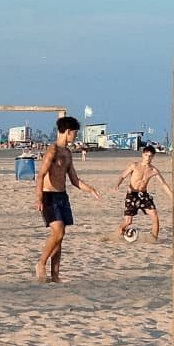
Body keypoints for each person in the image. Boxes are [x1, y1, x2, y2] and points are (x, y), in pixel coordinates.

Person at [34, 116, 101, 283]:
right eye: (75, 134)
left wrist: (90, 189)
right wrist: (39, 198)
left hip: (62, 196)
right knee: (58, 231)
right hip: (49, 195)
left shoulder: (68, 153)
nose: (75, 137)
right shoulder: (52, 151)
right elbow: (41, 175)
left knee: (60, 237)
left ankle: (55, 275)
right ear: (68, 132)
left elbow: (74, 179)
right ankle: (40, 263)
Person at [112, 145, 173, 241]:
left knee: (154, 216)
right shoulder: (134, 165)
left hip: (143, 195)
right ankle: (117, 234)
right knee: (128, 221)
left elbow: (164, 184)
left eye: (150, 156)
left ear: (153, 157)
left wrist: (172, 197)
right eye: (146, 155)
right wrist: (117, 184)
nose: (148, 158)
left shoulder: (153, 170)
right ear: (142, 155)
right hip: (132, 195)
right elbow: (122, 176)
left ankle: (153, 239)